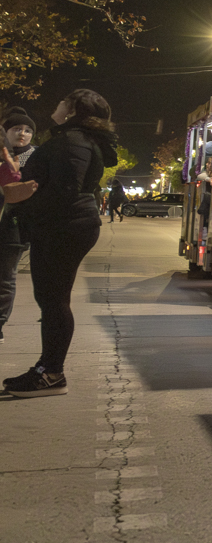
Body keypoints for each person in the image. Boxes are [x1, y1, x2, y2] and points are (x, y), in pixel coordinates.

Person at [1, 89, 118, 398]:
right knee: (51, 299)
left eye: (62, 102)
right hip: (62, 225)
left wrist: (27, 201)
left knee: (54, 299)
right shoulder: (73, 138)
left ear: (72, 110)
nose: (57, 105)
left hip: (64, 227)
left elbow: (64, 191)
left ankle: (51, 373)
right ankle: (48, 369)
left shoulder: (73, 141)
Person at [0, 108, 36, 341]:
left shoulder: (36, 157)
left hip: (14, 226)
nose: (22, 134)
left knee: (5, 277)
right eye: (17, 129)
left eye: (28, 130)